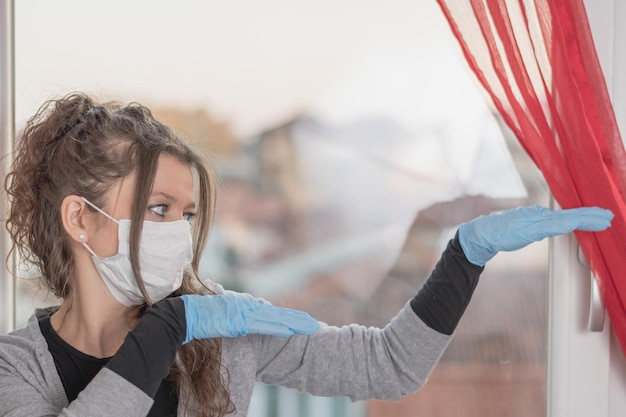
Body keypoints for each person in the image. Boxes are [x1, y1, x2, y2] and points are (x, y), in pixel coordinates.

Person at [0, 92, 614, 417]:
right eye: (159, 210)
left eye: (188, 215)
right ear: (81, 217)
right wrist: (168, 327)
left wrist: (464, 255)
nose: (180, 235)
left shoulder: (224, 332)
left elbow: (388, 368)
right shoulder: (15, 370)